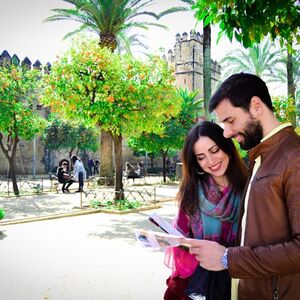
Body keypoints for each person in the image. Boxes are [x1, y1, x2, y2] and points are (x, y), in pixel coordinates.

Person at [186, 73, 300, 300]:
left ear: (256, 106)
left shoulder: (294, 158)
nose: (226, 133)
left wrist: (228, 258)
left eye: (230, 121)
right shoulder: (259, 158)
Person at [164, 121, 248, 300]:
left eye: (214, 150)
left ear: (226, 146)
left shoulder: (249, 187)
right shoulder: (191, 192)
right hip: (199, 283)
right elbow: (179, 238)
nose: (210, 161)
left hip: (239, 281)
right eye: (201, 157)